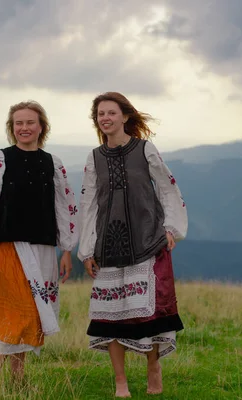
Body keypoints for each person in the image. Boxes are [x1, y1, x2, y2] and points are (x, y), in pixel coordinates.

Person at [78, 92, 188, 397]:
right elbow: (87, 204)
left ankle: (153, 366)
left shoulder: (145, 150)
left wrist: (171, 228)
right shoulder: (94, 158)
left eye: (111, 113)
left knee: (147, 314)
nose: (105, 118)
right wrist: (86, 249)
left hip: (146, 241)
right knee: (110, 315)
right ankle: (121, 382)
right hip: (108, 248)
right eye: (100, 114)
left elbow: (167, 187)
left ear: (125, 117)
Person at [0, 100, 78, 394]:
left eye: (30, 122)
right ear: (11, 127)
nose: (24, 128)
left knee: (33, 311)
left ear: (42, 127)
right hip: (6, 244)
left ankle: (18, 374)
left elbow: (64, 206)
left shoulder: (53, 163)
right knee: (15, 311)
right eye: (18, 123)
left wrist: (67, 249)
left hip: (42, 245)